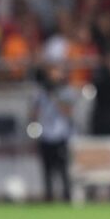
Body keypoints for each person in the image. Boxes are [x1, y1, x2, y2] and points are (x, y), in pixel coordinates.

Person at [31, 65, 76, 202]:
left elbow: (68, 112)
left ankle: (66, 196)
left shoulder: (65, 92)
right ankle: (49, 196)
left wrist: (56, 100)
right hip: (46, 134)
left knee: (63, 169)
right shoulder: (40, 94)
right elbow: (33, 113)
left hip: (60, 134)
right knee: (47, 170)